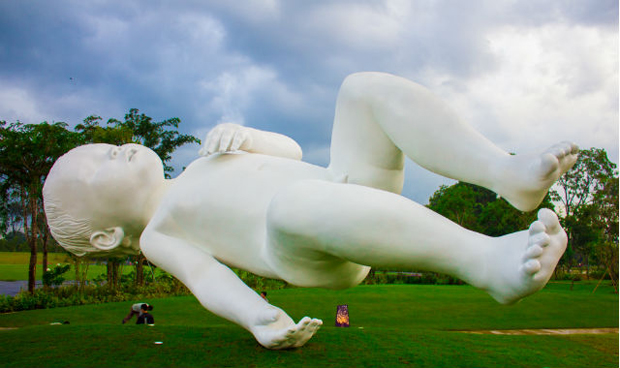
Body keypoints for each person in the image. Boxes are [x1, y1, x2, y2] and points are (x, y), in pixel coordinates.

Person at [43, 72, 578, 349]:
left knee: (361, 90)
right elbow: (209, 279)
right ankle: (487, 263)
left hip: (343, 188)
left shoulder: (204, 162)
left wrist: (249, 137)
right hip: (305, 249)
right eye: (100, 166)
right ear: (106, 237)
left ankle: (504, 173)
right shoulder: (162, 232)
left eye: (106, 148)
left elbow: (292, 153)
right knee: (292, 206)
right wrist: (259, 317)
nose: (117, 149)